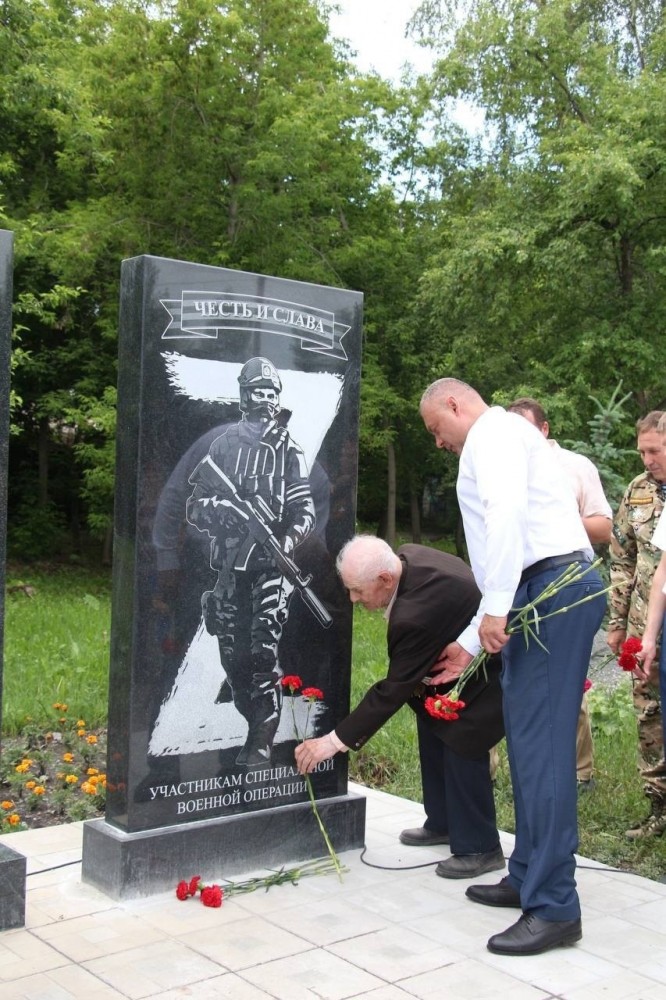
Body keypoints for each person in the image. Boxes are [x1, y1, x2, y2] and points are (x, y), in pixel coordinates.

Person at [420, 378, 606, 957]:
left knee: (543, 753)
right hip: (538, 588)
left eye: (435, 429)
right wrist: (469, 641)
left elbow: (505, 519)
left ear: (454, 404)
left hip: (550, 590)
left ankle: (554, 906)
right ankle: (526, 874)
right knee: (528, 749)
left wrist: (498, 608)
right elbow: (502, 553)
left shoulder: (493, 434)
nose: (438, 442)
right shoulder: (499, 437)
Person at [294, 535, 506, 879]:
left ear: (385, 579)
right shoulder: (407, 557)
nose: (353, 599)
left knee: (462, 742)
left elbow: (392, 691)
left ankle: (480, 847)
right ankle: (443, 822)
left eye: (358, 591)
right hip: (451, 660)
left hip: (490, 666)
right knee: (431, 722)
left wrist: (332, 742)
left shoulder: (413, 617)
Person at [186, 357, 316, 767]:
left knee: (261, 652)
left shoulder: (289, 451)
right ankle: (248, 711)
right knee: (232, 653)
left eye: (271, 392)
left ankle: (262, 733)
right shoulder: (223, 446)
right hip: (229, 569)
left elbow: (304, 512)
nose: (264, 399)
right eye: (257, 391)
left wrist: (283, 542)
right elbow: (195, 506)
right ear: (244, 396)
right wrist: (223, 511)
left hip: (269, 570)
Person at [507, 397, 613, 791]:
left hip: (563, 579)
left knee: (563, 685)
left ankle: (579, 771)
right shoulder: (504, 466)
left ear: (544, 429)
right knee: (515, 680)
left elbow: (604, 528)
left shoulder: (574, 466)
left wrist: (556, 518)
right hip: (517, 586)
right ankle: (516, 770)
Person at [608, 410, 666, 838]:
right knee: (648, 712)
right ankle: (658, 806)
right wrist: (616, 622)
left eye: (655, 451)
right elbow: (622, 559)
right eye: (642, 452)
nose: (647, 460)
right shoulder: (638, 491)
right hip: (644, 623)